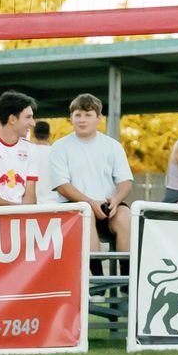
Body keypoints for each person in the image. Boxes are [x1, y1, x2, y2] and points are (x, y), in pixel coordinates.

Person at [45, 93, 134, 248]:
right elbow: (62, 186)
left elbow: (125, 181)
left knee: (126, 217)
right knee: (87, 214)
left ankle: (126, 271)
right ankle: (96, 271)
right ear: (71, 118)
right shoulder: (60, 147)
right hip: (75, 207)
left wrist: (116, 200)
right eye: (78, 115)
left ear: (98, 118)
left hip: (108, 207)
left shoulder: (112, 146)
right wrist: (91, 203)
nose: (82, 119)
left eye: (88, 115)